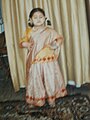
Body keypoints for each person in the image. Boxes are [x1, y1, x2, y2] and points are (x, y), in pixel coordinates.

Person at [19, 7, 67, 107]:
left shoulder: (50, 30)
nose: (38, 19)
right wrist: (26, 44)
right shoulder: (29, 31)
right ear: (30, 20)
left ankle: (51, 99)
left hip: (48, 61)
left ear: (45, 18)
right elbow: (22, 42)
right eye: (35, 17)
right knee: (35, 80)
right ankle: (35, 99)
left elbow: (59, 38)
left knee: (49, 79)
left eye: (41, 17)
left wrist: (54, 45)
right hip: (34, 61)